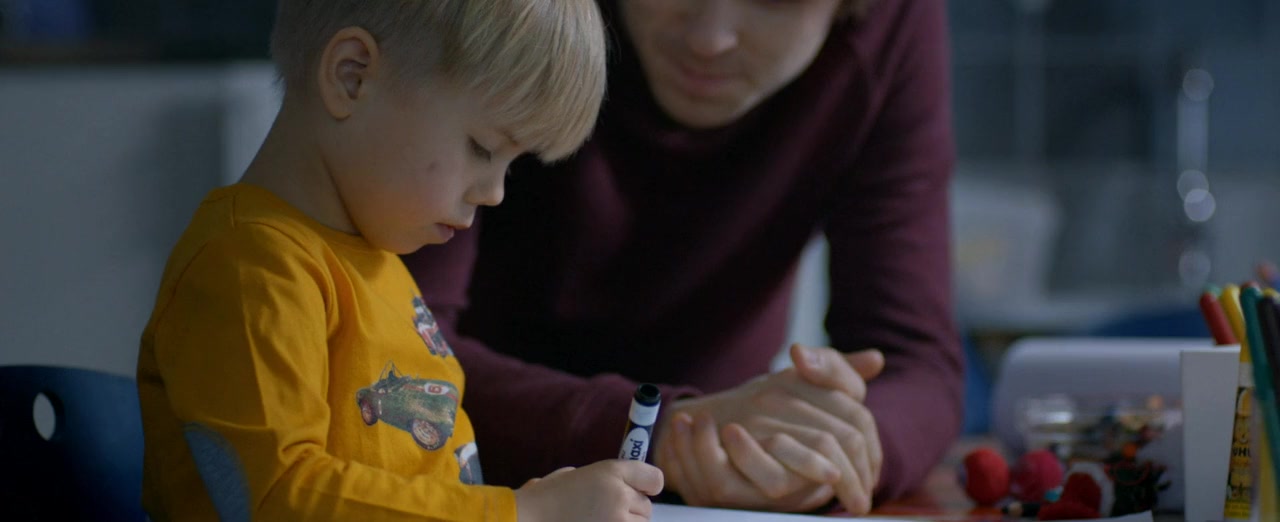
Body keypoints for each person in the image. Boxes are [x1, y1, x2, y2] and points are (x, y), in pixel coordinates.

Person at [403, 0, 963, 514]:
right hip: (452, 485)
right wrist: (662, 432)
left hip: (716, 492)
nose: (709, 39)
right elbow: (397, 355)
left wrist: (835, 451)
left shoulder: (895, 22)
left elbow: (915, 361)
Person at [134, 1, 665, 520]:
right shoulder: (252, 267)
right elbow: (278, 496)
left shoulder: (377, 263)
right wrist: (522, 512)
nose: (495, 192)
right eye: (482, 148)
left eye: (511, 164)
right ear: (352, 77)